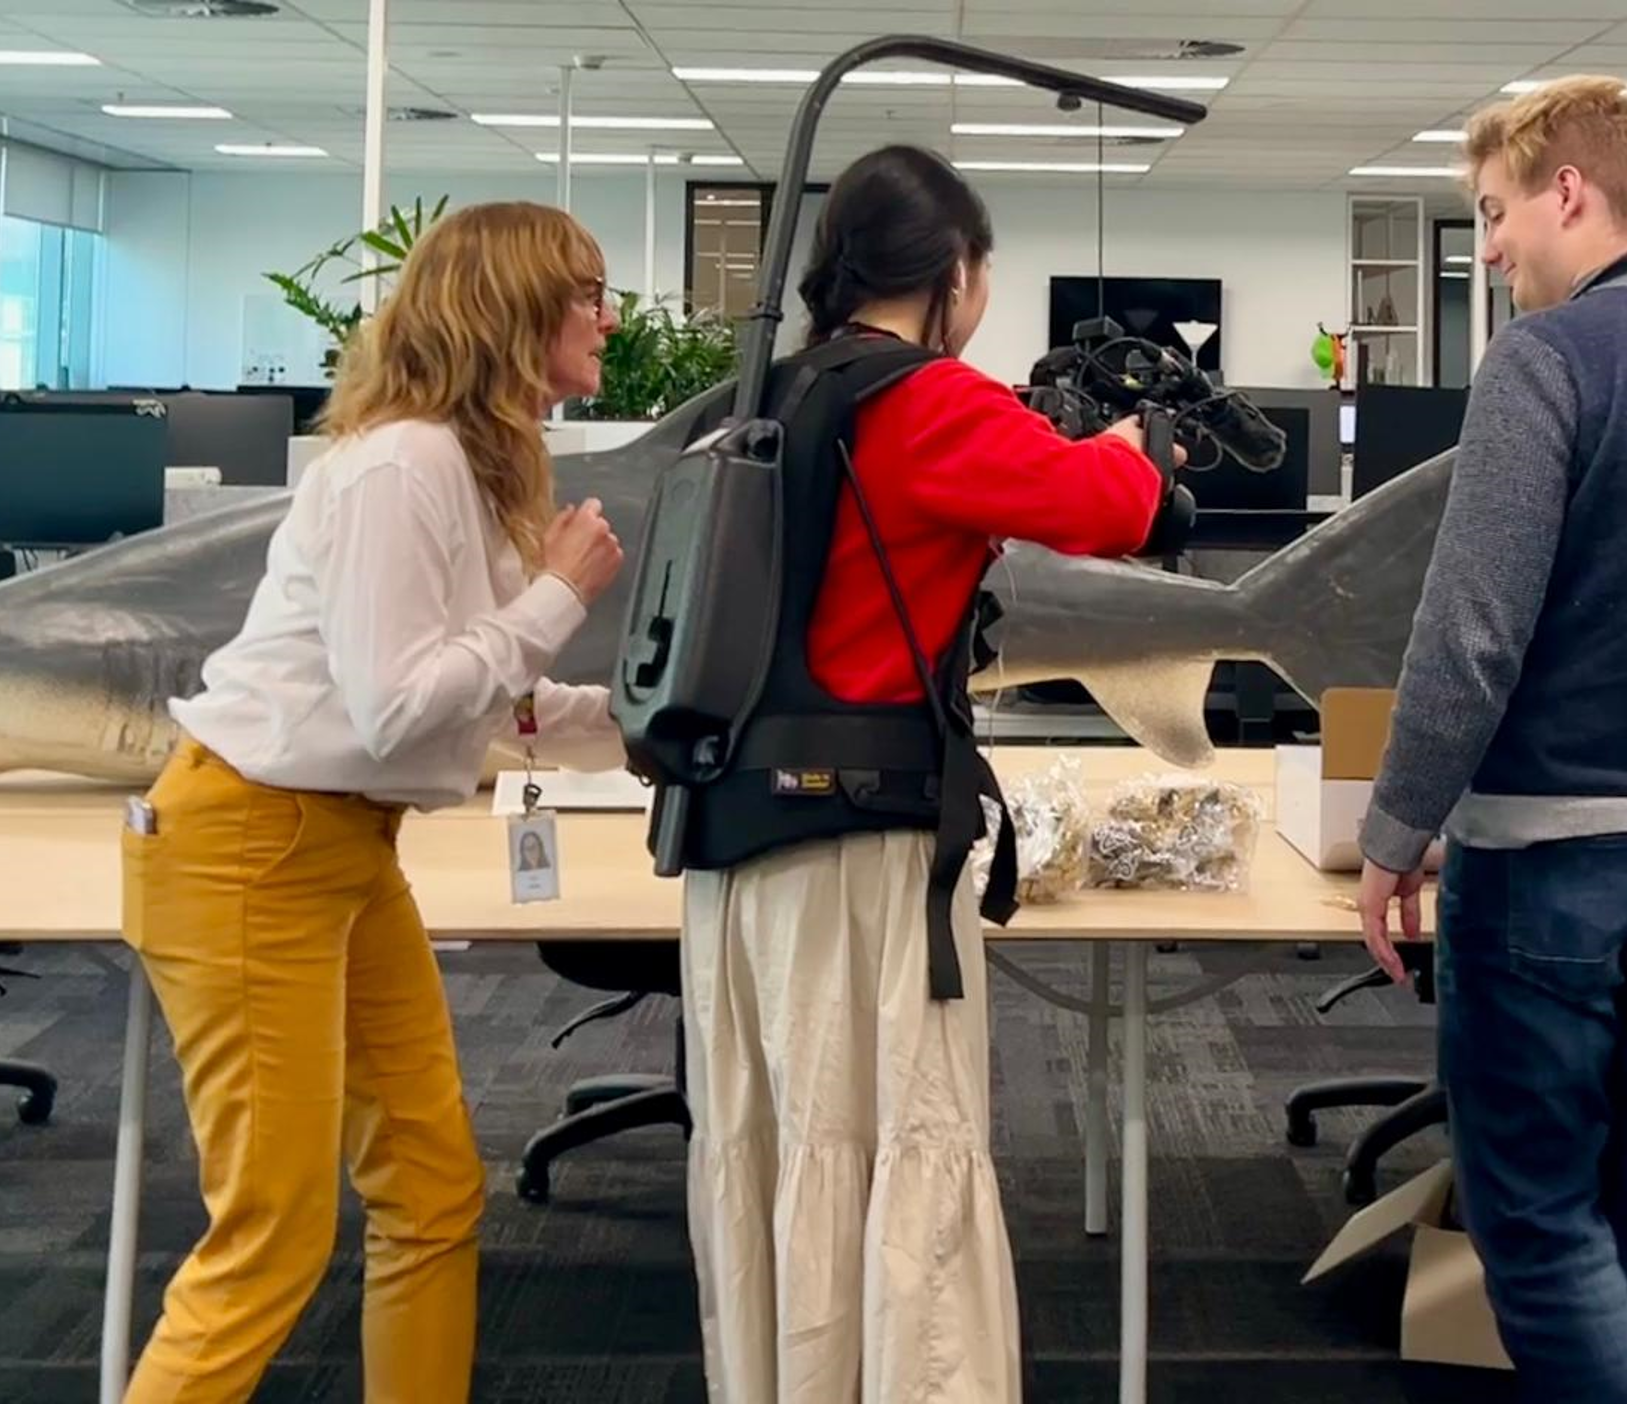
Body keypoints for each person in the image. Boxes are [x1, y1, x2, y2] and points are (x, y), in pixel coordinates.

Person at [674, 143, 1173, 1404]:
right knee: (904, 1145)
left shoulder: (774, 390)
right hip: (860, 858)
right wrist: (1132, 443)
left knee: (784, 1153)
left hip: (740, 860)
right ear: (953, 273)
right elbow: (1104, 509)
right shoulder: (924, 402)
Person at [116, 200, 629, 1403]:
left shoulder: (465, 464)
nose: (608, 319)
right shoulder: (405, 464)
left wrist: (640, 724)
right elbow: (401, 703)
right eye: (587, 293)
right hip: (251, 845)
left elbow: (478, 695)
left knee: (431, 1189)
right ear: (512, 309)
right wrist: (556, 591)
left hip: (338, 846)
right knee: (271, 1239)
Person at [1348, 76, 1627, 1403]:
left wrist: (1393, 832)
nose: (1488, 248)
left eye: (1493, 214)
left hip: (1554, 848)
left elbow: (1471, 629)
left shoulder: (1543, 360)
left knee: (1538, 1215)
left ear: (1569, 192)